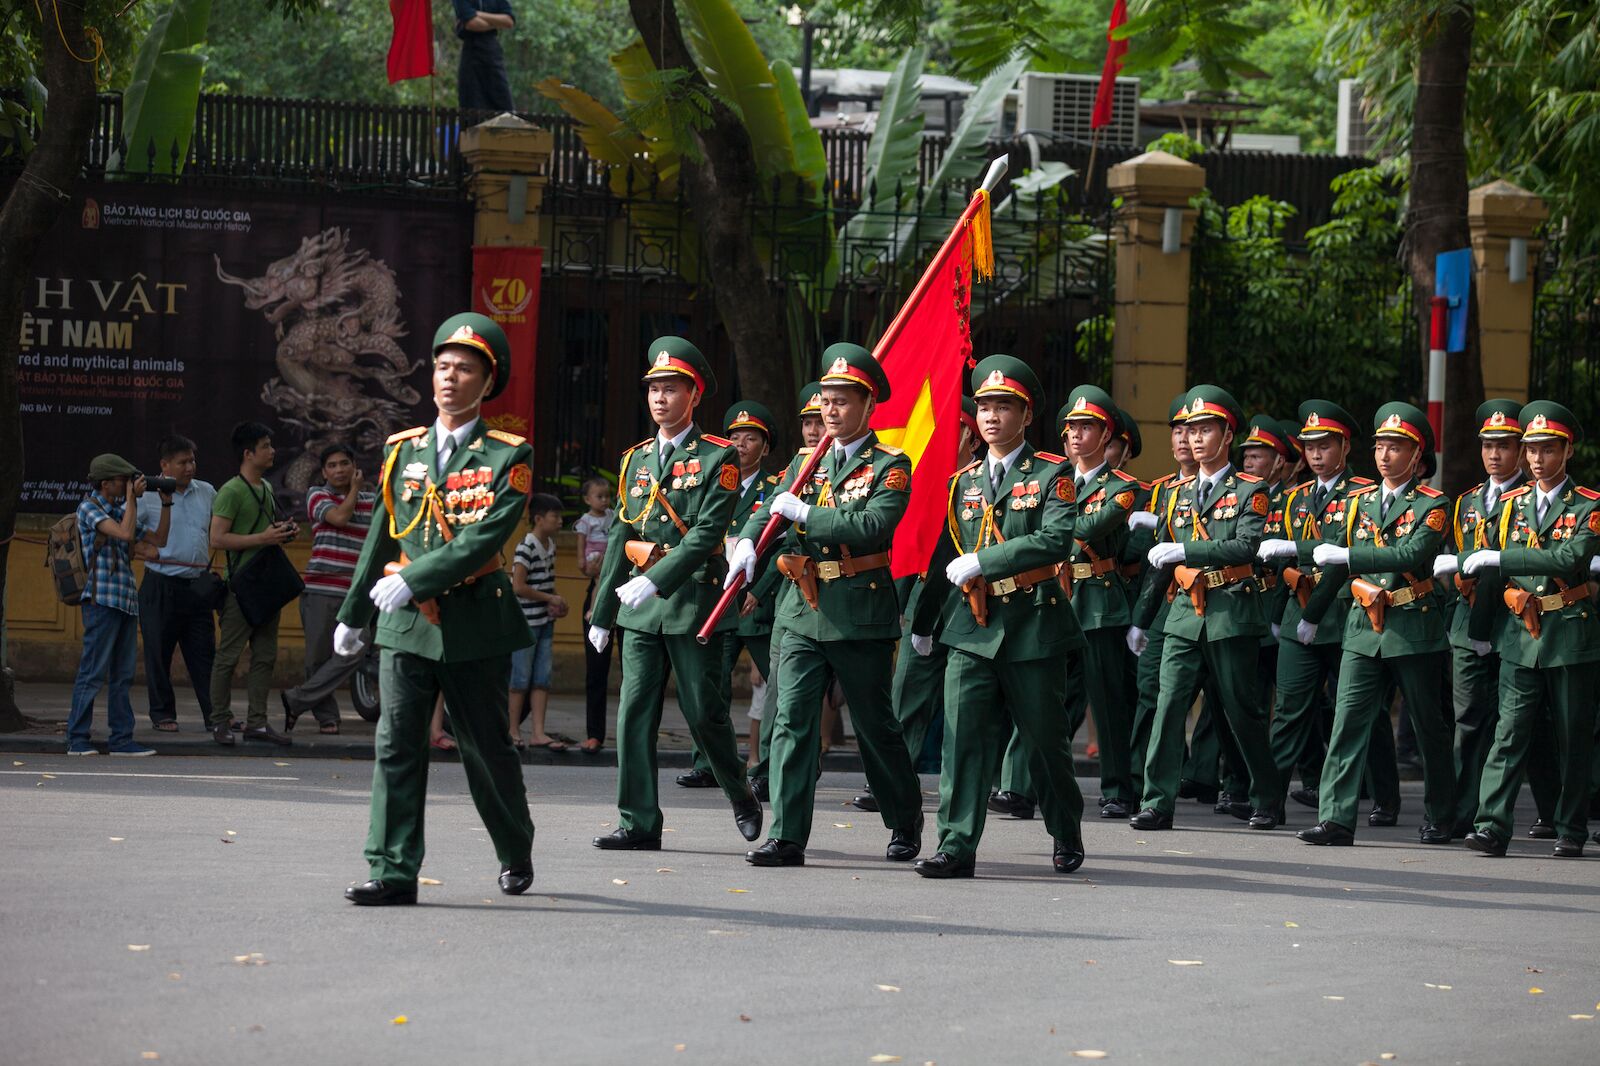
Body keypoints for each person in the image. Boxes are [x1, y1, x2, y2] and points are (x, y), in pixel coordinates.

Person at [336, 312, 539, 905]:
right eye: (443, 367)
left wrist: (416, 577)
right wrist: (355, 612)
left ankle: (514, 846)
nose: (450, 378)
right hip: (405, 626)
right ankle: (393, 870)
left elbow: (485, 540)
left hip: (475, 622)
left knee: (486, 748)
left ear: (487, 381)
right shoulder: (403, 451)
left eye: (465, 369)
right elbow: (381, 532)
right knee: (396, 742)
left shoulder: (508, 455)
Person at [727, 343, 923, 868]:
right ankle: (788, 835)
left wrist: (807, 515)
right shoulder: (802, 461)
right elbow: (767, 511)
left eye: (841, 401)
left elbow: (873, 526)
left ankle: (904, 819)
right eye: (825, 401)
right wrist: (748, 542)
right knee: (790, 720)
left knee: (875, 725)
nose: (829, 411)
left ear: (868, 405)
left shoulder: (891, 465)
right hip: (800, 611)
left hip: (859, 611)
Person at [909, 355, 1086, 878]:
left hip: (1033, 623)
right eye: (984, 406)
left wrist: (985, 560)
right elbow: (944, 554)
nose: (990, 416)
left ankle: (1065, 830)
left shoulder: (1053, 474)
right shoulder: (960, 482)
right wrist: (923, 623)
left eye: (1004, 406)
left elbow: (1055, 540)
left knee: (1044, 742)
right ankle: (956, 844)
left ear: (1026, 415)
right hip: (971, 625)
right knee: (963, 739)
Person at [588, 337, 763, 852]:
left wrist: (655, 579)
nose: (660, 398)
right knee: (633, 713)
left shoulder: (718, 458)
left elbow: (707, 534)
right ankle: (638, 821)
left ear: (694, 394)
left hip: (690, 603)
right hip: (641, 611)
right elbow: (622, 534)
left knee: (703, 713)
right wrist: (603, 612)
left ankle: (740, 793)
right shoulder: (635, 461)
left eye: (671, 389)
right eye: (654, 389)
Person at [1298, 402, 1456, 847]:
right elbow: (1332, 560)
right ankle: (1335, 818)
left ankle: (1443, 813)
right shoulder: (1358, 501)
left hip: (1411, 625)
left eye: (1396, 447)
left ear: (1416, 453)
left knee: (1428, 725)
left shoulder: (1433, 503)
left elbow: (1410, 555)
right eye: (1381, 446)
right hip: (1363, 627)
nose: (1385, 455)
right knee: (1348, 721)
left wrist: (1349, 557)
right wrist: (1312, 613)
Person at [1129, 385, 1280, 831]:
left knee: (1242, 712)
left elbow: (1246, 545)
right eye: (1191, 430)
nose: (1195, 439)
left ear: (1227, 435)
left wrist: (1186, 551)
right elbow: (1161, 563)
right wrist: (1142, 619)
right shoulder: (1174, 493)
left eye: (1206, 429)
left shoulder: (1251, 489)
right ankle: (1157, 801)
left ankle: (1267, 796)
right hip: (1181, 617)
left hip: (1230, 612)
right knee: (1168, 704)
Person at [1460, 401, 1599, 858]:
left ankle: (1571, 827)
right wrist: (1482, 632)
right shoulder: (1510, 505)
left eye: (1548, 449)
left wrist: (1503, 557)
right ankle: (1491, 826)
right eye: (1532, 449)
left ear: (1567, 452)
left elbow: (1568, 559)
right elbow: (1493, 575)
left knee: (1572, 736)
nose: (1537, 459)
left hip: (1568, 633)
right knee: (1509, 731)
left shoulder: (1589, 507)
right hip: (1520, 634)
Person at [1433, 400, 1555, 837]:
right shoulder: (1466, 502)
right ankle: (1462, 814)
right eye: (1488, 445)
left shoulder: (1529, 500)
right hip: (1470, 625)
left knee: (1526, 721)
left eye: (1504, 446)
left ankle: (1554, 812)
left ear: (1520, 451)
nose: (1494, 454)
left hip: (1517, 624)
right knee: (1468, 721)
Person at [1255, 401, 1373, 822]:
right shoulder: (1295, 498)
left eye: (1325, 445)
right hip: (1295, 613)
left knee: (1356, 713)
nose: (1316, 454)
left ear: (1344, 446)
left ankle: (1383, 796)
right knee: (1287, 711)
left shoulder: (1363, 495)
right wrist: (1283, 609)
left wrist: (1312, 611)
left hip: (1344, 617)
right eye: (1309, 446)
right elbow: (1272, 555)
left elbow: (1344, 558)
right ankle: (1270, 803)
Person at [747, 382, 830, 803]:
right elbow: (772, 533)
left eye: (820, 420)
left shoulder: (855, 465)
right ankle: (769, 771)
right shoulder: (793, 470)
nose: (814, 430)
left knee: (867, 713)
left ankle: (895, 800)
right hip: (793, 594)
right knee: (781, 691)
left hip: (842, 594)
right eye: (807, 422)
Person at [67, 454, 171, 756]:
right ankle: (77, 738)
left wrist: (165, 503)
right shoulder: (89, 508)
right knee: (93, 672)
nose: (128, 485)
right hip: (101, 601)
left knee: (123, 675)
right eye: (123, 481)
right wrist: (132, 499)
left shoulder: (117, 509)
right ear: (106, 483)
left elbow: (158, 542)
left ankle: (122, 740)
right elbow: (125, 533)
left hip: (126, 602)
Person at [208, 422, 296, 748]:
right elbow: (217, 537)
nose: (272, 451)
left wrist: (282, 532)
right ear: (248, 453)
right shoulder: (231, 491)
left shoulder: (266, 488)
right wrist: (263, 537)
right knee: (228, 657)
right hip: (240, 587)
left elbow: (265, 531)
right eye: (266, 446)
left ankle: (257, 722)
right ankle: (219, 720)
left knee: (264, 656)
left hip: (266, 585)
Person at [280, 443, 377, 735]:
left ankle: (296, 700)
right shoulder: (317, 495)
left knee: (356, 650)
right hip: (321, 588)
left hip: (356, 593)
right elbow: (339, 518)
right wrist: (354, 492)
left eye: (344, 463)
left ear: (354, 466)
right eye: (332, 465)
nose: (339, 470)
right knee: (317, 658)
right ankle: (327, 717)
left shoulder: (372, 500)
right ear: (323, 472)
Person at [137, 434, 218, 733]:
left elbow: (220, 527)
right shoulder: (145, 495)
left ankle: (215, 715)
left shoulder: (207, 492)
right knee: (158, 653)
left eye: (192, 460)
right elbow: (128, 532)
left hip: (197, 586)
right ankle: (162, 714)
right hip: (160, 584)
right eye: (182, 462)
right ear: (165, 465)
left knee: (204, 654)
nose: (190, 467)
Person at [510, 492, 568, 750]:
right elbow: (518, 586)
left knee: (542, 678)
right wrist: (549, 598)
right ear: (538, 518)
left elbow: (546, 583)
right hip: (525, 623)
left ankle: (537, 732)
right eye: (555, 517)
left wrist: (554, 603)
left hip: (544, 621)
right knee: (520, 679)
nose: (559, 522)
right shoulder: (526, 546)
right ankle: (512, 731)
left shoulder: (550, 546)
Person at [574, 475, 615, 753]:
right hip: (598, 589)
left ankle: (638, 734)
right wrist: (594, 566)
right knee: (596, 670)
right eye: (598, 496)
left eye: (607, 495)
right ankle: (594, 734)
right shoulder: (585, 524)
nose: (605, 500)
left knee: (639, 675)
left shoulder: (617, 517)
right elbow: (583, 567)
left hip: (628, 592)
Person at [453, 1, 515, 112]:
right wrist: (497, 22)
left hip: (492, 51)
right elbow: (471, 23)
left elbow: (509, 21)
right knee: (472, 108)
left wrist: (477, 13)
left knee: (504, 107)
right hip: (471, 52)